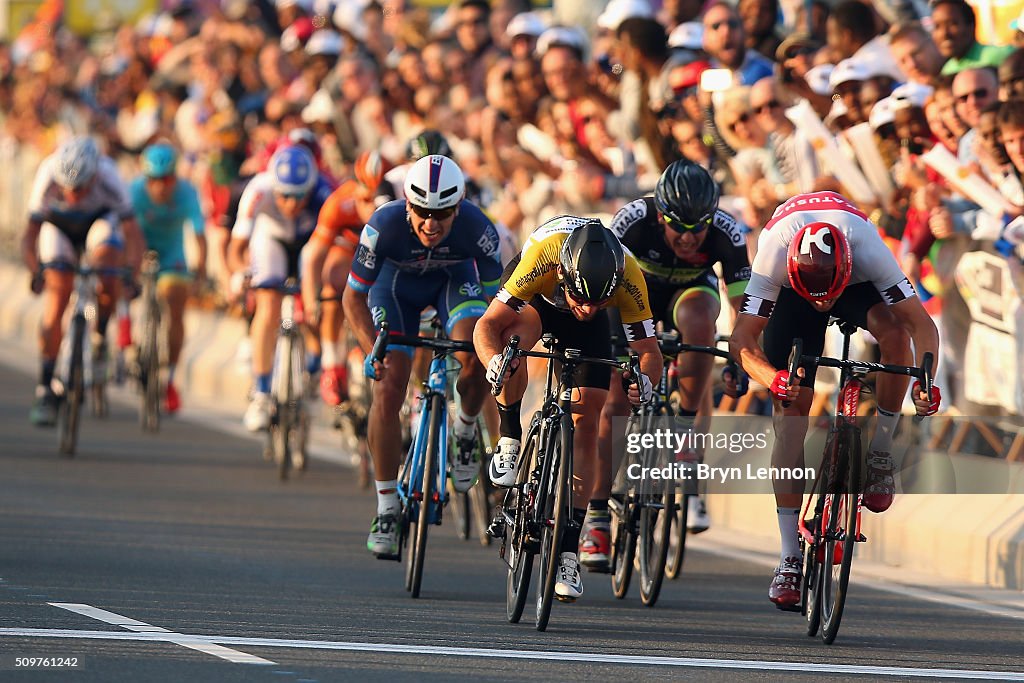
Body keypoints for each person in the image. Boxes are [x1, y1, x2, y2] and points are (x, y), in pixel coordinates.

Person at [728, 191, 942, 608]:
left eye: (828, 296)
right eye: (819, 298)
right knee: (790, 418)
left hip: (855, 284)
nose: (823, 304)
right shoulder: (772, 253)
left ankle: (881, 452)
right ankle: (789, 556)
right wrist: (774, 379)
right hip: (793, 293)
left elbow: (921, 325)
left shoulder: (866, 246)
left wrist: (926, 381)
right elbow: (742, 340)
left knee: (895, 337)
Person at [473, 218, 662, 601]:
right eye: (582, 298)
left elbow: (649, 354)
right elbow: (487, 325)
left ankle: (569, 552)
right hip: (538, 305)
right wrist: (494, 361)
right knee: (512, 344)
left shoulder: (627, 277)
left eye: (599, 302)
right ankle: (510, 436)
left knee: (588, 415)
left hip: (586, 337)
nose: (589, 308)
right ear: (564, 272)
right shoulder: (543, 258)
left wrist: (645, 382)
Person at [342, 154, 503, 558]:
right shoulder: (382, 225)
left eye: (443, 214)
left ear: (459, 207)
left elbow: (499, 305)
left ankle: (465, 430)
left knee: (474, 349)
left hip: (453, 284)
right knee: (390, 384)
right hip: (395, 291)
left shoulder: (480, 230)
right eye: (423, 212)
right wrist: (370, 347)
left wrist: (492, 347)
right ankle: (386, 508)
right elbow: (353, 297)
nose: (431, 224)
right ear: (408, 205)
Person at [597, 160, 750, 562]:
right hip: (635, 291)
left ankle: (684, 426)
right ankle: (596, 512)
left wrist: (740, 358)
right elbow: (605, 286)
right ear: (659, 214)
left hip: (691, 294)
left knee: (702, 325)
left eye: (697, 228)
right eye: (678, 227)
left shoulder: (727, 232)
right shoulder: (631, 220)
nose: (688, 238)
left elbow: (744, 310)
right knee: (615, 397)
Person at [21, 136, 143, 426]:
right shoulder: (48, 173)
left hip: (98, 221)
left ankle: (100, 331)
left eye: (80, 188)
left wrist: (131, 275)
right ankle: (46, 387)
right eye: (68, 188)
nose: (73, 194)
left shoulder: (110, 176)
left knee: (107, 269)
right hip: (59, 225)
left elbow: (133, 234)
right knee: (58, 294)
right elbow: (30, 234)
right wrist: (35, 270)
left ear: (94, 176)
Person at [227, 145, 333, 432]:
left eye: (300, 196)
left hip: (309, 244)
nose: (290, 203)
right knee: (268, 303)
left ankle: (314, 364)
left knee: (319, 303)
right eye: (284, 194)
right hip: (270, 241)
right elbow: (236, 248)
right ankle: (261, 393)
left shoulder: (325, 194)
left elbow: (334, 252)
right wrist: (239, 274)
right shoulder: (258, 190)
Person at [301, 150, 389, 407]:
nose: (369, 206)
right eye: (364, 198)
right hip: (348, 250)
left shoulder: (395, 201)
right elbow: (314, 255)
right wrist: (310, 299)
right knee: (332, 283)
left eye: (375, 199)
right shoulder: (339, 202)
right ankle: (332, 365)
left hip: (381, 254)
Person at [129, 142, 208, 414]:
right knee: (121, 284)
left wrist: (200, 271)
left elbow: (199, 234)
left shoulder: (187, 193)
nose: (160, 187)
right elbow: (122, 229)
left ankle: (170, 379)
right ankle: (126, 338)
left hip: (173, 254)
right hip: (140, 247)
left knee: (176, 303)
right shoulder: (135, 191)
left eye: (167, 180)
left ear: (176, 177)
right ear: (145, 179)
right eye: (154, 180)